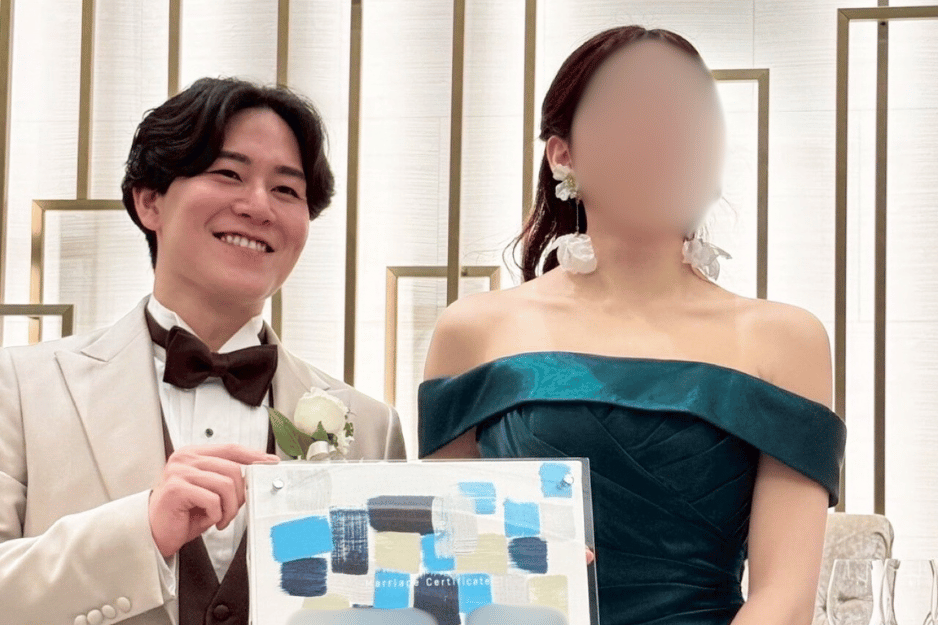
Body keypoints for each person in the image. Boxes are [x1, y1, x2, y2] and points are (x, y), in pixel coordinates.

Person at [418, 26, 846, 625]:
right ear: (562, 154)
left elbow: (784, 598)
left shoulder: (785, 340)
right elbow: (446, 570)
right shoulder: (473, 331)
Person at [0, 77, 406, 625]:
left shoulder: (373, 427)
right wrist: (140, 530)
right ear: (150, 201)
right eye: (228, 174)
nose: (259, 206)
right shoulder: (19, 387)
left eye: (286, 190)